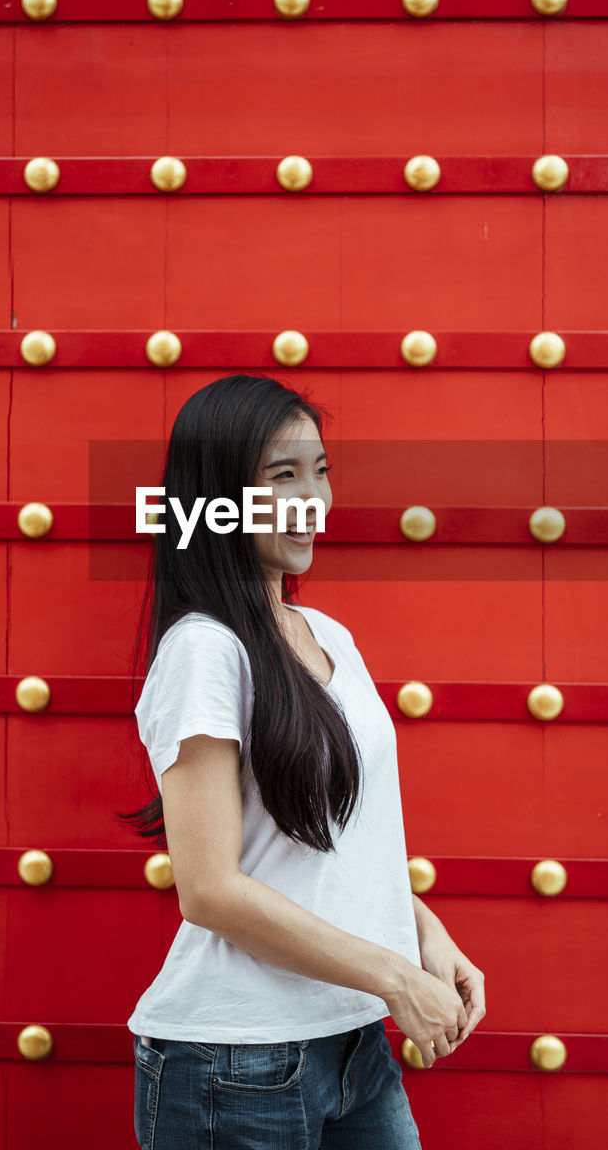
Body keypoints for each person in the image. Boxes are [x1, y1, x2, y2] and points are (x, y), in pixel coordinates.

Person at [119, 373, 485, 1150]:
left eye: (320, 471)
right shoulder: (204, 652)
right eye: (282, 476)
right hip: (232, 1065)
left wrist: (423, 936)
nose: (313, 499)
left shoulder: (328, 636)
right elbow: (210, 890)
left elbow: (337, 844)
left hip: (351, 1042)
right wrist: (392, 978)